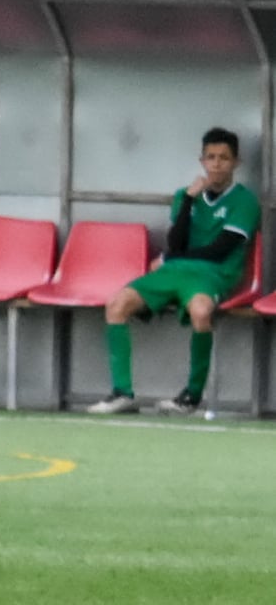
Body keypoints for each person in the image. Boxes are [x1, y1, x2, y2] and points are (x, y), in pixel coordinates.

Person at [89, 127, 260, 416]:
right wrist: (190, 200)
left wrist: (169, 257)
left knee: (201, 312)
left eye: (224, 158)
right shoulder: (186, 195)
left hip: (214, 273)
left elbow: (219, 251)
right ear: (202, 161)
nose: (217, 164)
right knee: (117, 304)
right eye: (211, 157)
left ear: (236, 163)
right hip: (174, 271)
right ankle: (122, 393)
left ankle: (191, 397)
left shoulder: (245, 201)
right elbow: (176, 242)